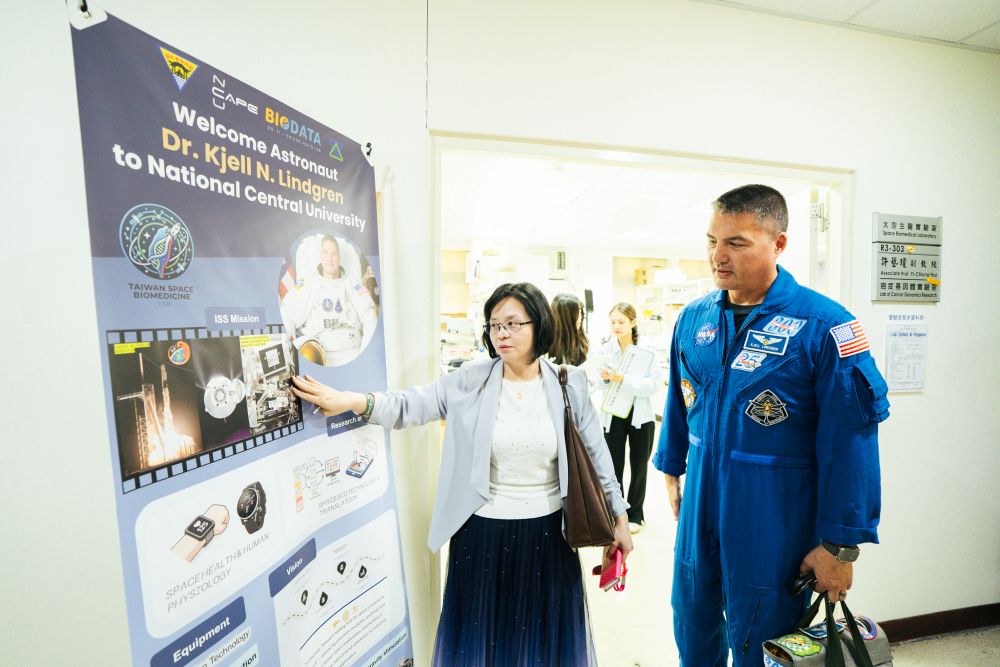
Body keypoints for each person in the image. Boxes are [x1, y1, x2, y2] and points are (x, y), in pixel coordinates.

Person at [291, 282, 633, 666]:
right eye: (494, 325)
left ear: (539, 325)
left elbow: (599, 458)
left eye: (513, 323)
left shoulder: (569, 384)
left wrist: (620, 518)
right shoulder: (471, 380)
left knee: (541, 649)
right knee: (480, 647)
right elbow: (409, 405)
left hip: (549, 537)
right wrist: (351, 401)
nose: (502, 333)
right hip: (482, 536)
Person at [653, 184, 889, 666]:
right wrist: (672, 466)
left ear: (778, 244)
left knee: (764, 637)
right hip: (700, 508)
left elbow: (851, 444)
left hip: (775, 518)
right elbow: (680, 398)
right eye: (712, 241)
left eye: (736, 243)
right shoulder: (693, 319)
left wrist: (840, 546)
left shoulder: (825, 326)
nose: (718, 256)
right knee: (692, 622)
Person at [594, 303, 659, 535]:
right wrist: (605, 379)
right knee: (613, 467)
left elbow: (653, 385)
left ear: (633, 323)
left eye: (621, 322)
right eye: (613, 322)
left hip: (641, 416)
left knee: (639, 466)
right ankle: (616, 513)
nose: (616, 326)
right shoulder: (605, 349)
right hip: (614, 415)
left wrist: (624, 379)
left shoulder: (647, 350)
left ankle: (636, 514)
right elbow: (597, 384)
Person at [280, 234, 377, 366]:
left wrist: (364, 354)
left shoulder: (352, 283)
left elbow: (370, 318)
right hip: (319, 356)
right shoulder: (308, 282)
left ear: (339, 257)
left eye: (333, 254)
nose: (330, 259)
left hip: (352, 352)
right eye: (326, 253)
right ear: (321, 256)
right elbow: (288, 313)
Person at [549, 292, 589, 366]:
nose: (580, 318)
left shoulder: (582, 341)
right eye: (577, 313)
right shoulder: (547, 347)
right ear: (565, 319)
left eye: (580, 312)